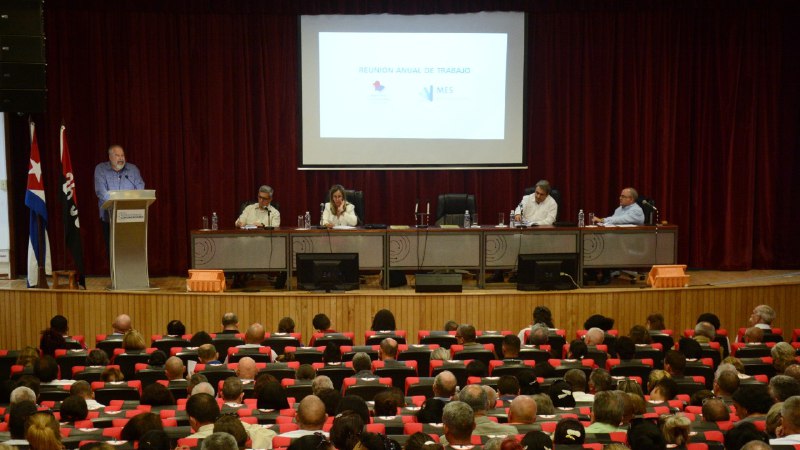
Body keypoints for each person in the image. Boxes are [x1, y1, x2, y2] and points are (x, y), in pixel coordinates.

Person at [94, 144, 145, 254]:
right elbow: (101, 192)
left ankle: (132, 270)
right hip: (109, 217)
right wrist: (117, 203)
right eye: (117, 155)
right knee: (112, 251)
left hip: (132, 217)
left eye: (122, 155)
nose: (121, 158)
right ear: (110, 157)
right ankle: (114, 271)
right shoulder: (101, 169)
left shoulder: (133, 169)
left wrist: (130, 202)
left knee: (132, 250)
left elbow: (140, 188)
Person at [590, 187, 645, 284]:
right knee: (596, 239)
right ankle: (591, 272)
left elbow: (620, 220)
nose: (620, 198)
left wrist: (602, 220)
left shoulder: (637, 211)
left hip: (630, 241)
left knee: (605, 242)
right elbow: (613, 220)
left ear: (631, 199)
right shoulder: (619, 209)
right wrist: (603, 222)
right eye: (620, 196)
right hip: (618, 239)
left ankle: (606, 275)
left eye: (623, 196)